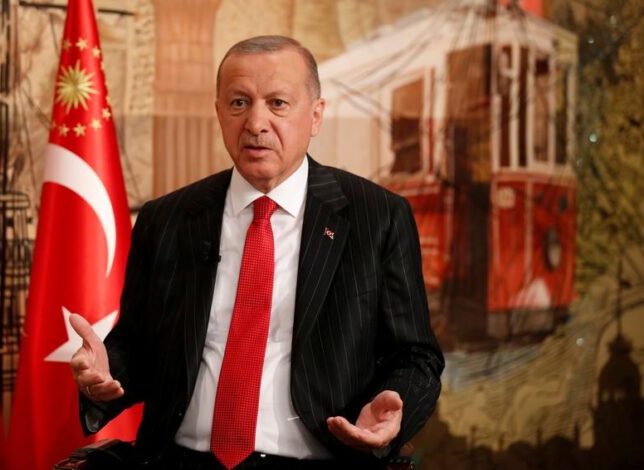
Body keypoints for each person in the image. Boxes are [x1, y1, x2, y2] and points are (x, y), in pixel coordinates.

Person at [69, 35, 444, 468]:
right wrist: (105, 373)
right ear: (219, 112)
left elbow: (416, 355)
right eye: (239, 103)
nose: (255, 123)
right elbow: (137, 346)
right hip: (181, 459)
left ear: (315, 115)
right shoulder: (167, 219)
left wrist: (396, 401)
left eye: (278, 104)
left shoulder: (377, 217)